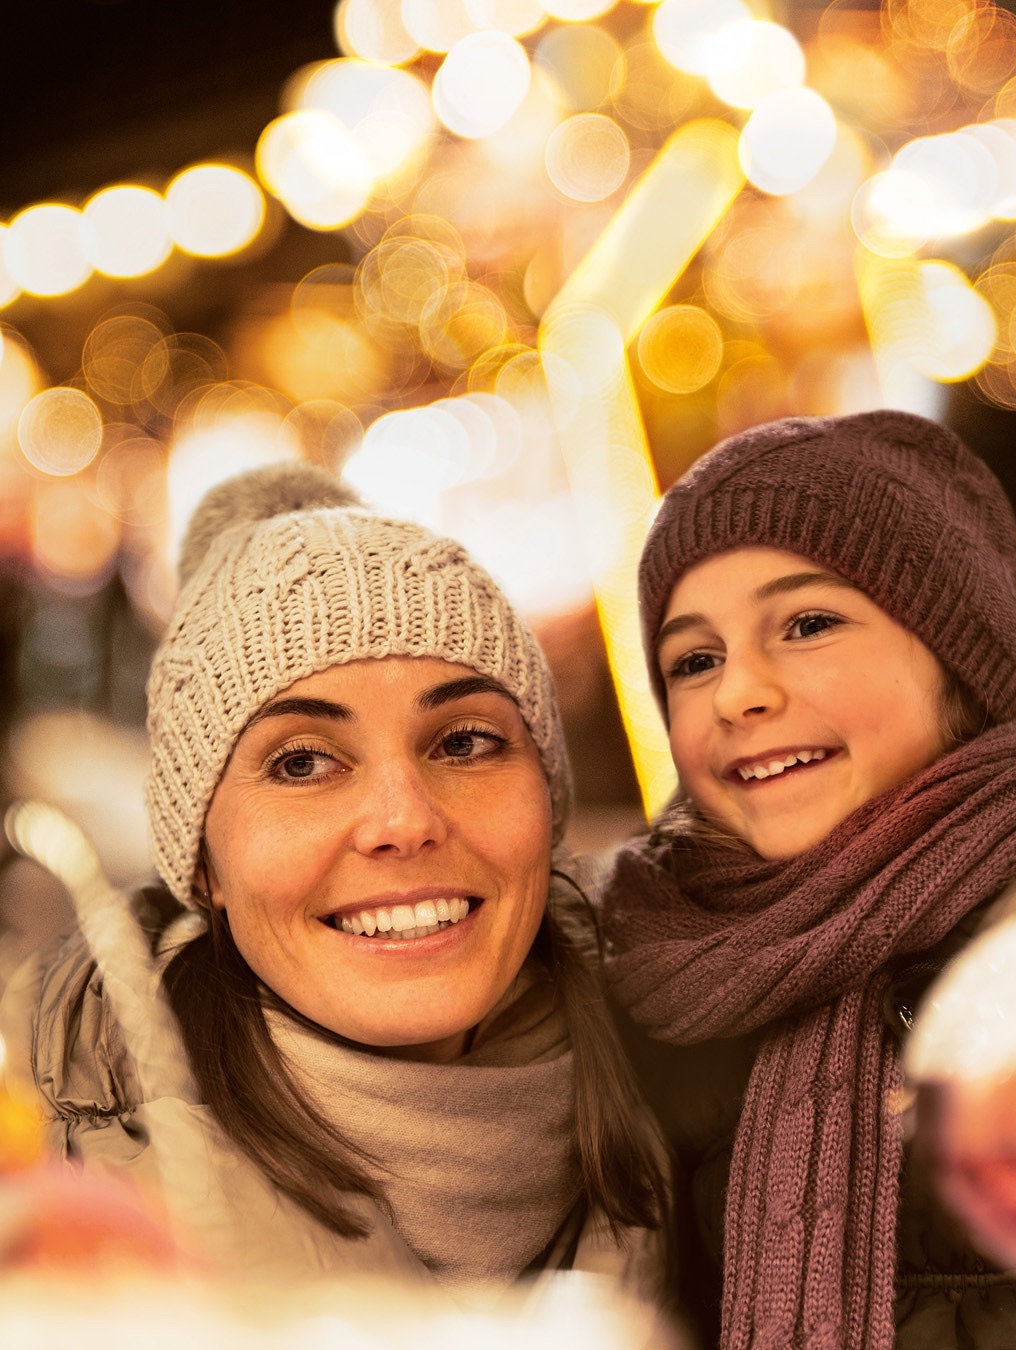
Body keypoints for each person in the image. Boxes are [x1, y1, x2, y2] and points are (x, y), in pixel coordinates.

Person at [0, 462, 669, 1299]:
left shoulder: (717, 1107)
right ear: (203, 864)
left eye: (463, 743)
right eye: (304, 762)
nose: (404, 821)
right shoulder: (59, 1238)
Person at [600, 410, 1016, 1348]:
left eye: (809, 624)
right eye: (694, 661)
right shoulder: (645, 972)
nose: (740, 692)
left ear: (957, 654)